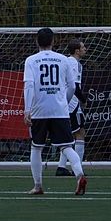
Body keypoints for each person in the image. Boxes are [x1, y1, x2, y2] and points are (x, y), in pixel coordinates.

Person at [23, 28, 87, 196]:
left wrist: (27, 109)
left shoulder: (31, 60)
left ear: (37, 41)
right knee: (66, 146)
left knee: (36, 148)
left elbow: (29, 85)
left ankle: (38, 185)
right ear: (53, 42)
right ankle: (79, 174)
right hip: (59, 110)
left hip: (39, 110)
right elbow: (72, 86)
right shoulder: (63, 60)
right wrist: (63, 103)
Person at [56, 39, 88, 177]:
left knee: (68, 134)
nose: (85, 49)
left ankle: (62, 167)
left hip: (63, 101)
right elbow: (74, 85)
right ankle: (77, 167)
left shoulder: (65, 61)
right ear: (77, 51)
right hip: (72, 102)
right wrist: (83, 99)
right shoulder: (75, 64)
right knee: (79, 133)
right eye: (83, 47)